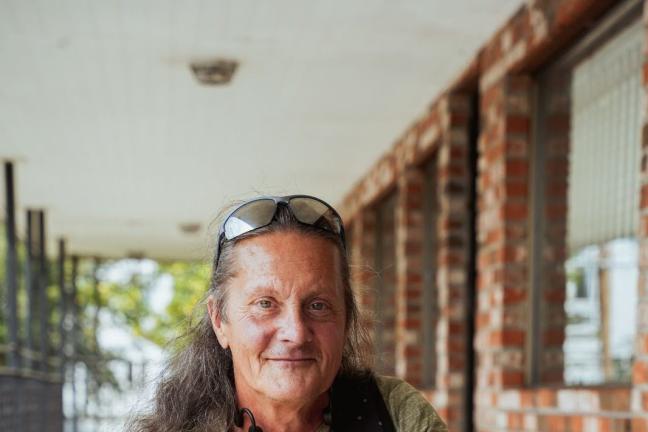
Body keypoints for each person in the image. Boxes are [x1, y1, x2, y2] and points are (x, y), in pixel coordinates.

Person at [128, 195, 447, 432]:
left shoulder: (393, 414)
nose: (295, 332)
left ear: (347, 317)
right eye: (265, 304)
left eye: (318, 305)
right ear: (219, 321)